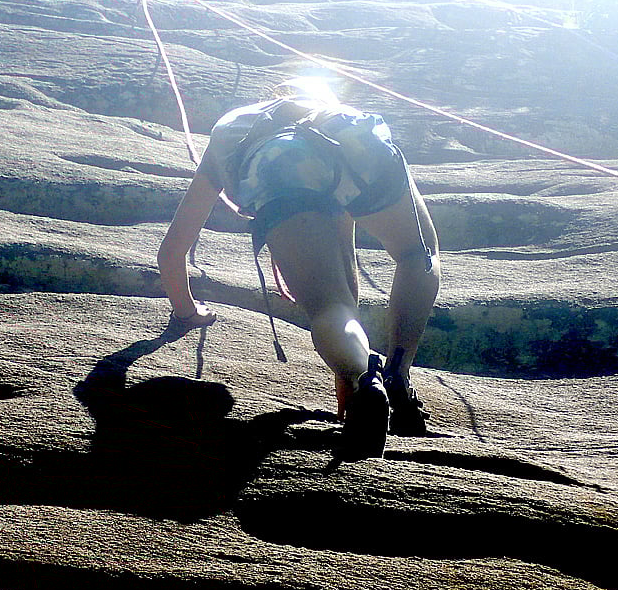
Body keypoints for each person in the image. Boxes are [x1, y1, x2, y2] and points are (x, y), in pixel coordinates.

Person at [157, 77, 440, 459]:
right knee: (416, 254)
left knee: (329, 307)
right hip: (357, 145)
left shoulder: (234, 129)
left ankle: (364, 377)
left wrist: (188, 312)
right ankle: (397, 374)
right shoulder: (336, 112)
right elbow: (345, 248)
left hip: (279, 165)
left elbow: (172, 253)